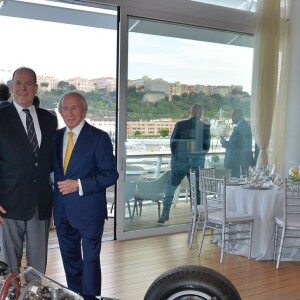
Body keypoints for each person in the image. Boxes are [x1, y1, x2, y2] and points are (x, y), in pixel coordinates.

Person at [52, 91, 119, 299]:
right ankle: (75, 296)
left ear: (84, 110)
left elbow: (110, 174)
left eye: (74, 108)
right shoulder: (56, 137)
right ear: (60, 111)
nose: (70, 113)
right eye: (65, 108)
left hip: (89, 212)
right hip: (62, 212)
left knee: (90, 263)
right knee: (70, 261)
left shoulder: (99, 138)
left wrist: (78, 184)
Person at [0, 67, 57, 273]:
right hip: (8, 204)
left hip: (40, 203)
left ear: (36, 87)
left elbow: (52, 161)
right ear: (12, 86)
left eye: (28, 83)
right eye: (18, 83)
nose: (23, 88)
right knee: (9, 267)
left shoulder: (49, 119)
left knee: (37, 267)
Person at [158, 103, 211, 223]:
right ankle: (196, 216)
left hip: (179, 162)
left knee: (171, 188)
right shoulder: (205, 127)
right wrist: (197, 156)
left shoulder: (180, 124)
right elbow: (206, 148)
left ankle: (165, 214)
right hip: (196, 163)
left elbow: (173, 143)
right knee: (196, 191)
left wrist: (177, 155)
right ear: (201, 113)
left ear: (190, 112)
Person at [220, 108, 254, 178]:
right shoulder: (242, 125)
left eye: (233, 115)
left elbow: (237, 145)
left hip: (240, 162)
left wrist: (224, 143)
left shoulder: (242, 127)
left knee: (238, 183)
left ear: (238, 115)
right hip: (239, 162)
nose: (231, 117)